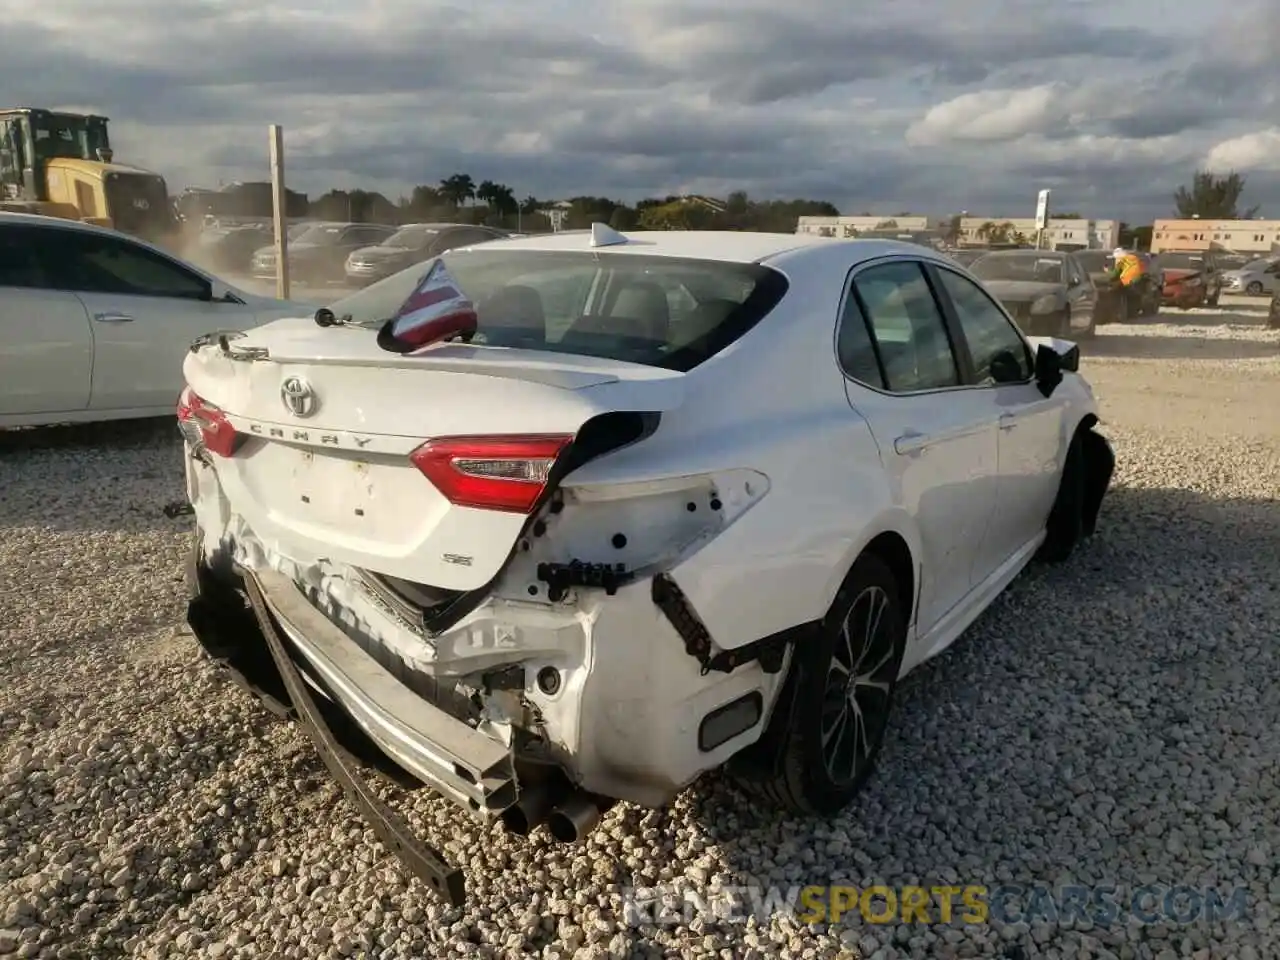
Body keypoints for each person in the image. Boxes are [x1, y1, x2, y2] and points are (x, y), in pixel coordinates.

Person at [1109, 247, 1148, 319]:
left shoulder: (1121, 260)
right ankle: (1133, 313)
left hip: (1126, 281)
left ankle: (1124, 313)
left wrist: (1107, 271)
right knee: (1134, 298)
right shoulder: (1134, 258)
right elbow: (1142, 269)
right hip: (1137, 281)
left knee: (1123, 296)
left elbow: (1114, 274)